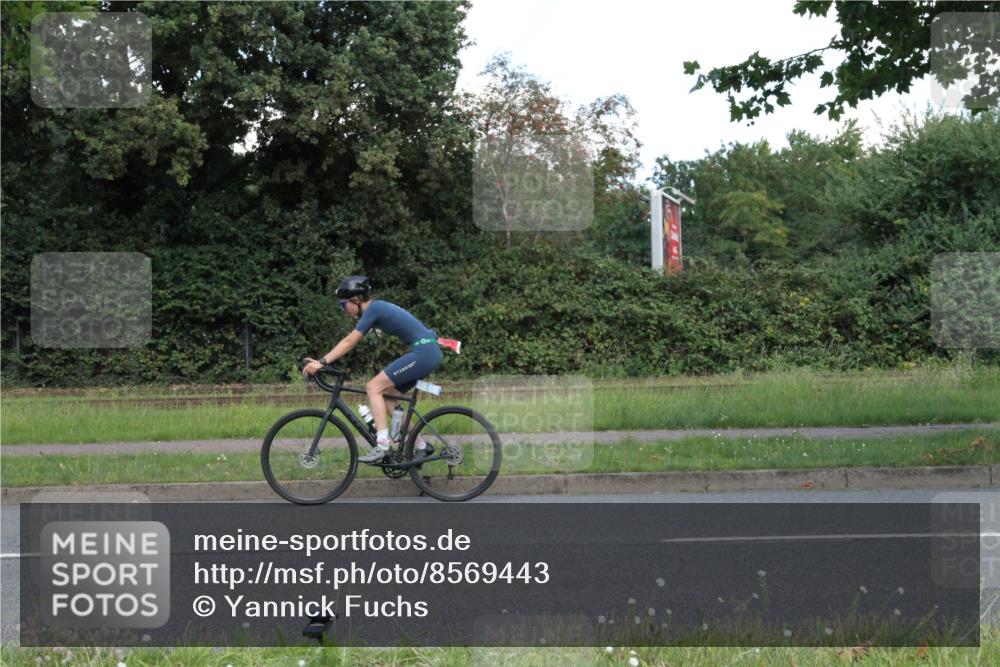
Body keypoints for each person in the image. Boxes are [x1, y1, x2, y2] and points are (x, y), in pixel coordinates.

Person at [303, 275, 442, 462]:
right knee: (387, 399)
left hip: (424, 352)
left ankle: (383, 445)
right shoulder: (375, 310)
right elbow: (351, 341)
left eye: (343, 305)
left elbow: (349, 342)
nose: (343, 310)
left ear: (356, 300)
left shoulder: (374, 309)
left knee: (373, 387)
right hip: (426, 351)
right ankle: (421, 445)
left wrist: (322, 362)